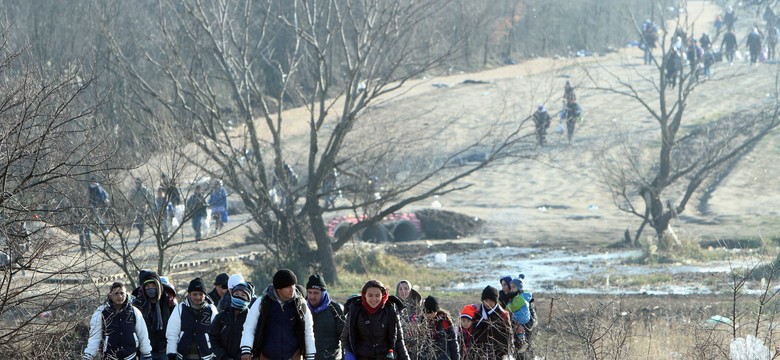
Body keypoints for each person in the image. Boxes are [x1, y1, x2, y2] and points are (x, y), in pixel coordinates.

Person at [240, 269, 316, 360]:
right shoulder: (262, 302)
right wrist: (246, 349)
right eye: (288, 287)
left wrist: (310, 355)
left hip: (293, 356)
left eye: (293, 285)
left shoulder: (300, 303)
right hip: (267, 356)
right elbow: (249, 326)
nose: (292, 289)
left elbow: (308, 330)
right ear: (278, 289)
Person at [341, 279, 409, 360]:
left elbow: (399, 341)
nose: (374, 299)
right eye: (370, 295)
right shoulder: (355, 311)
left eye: (377, 295)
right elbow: (345, 338)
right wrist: (347, 353)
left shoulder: (391, 310)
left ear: (382, 295)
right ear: (364, 295)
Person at [84, 282, 153, 360]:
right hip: (109, 356)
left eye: (122, 293)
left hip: (130, 356)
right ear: (110, 295)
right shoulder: (101, 312)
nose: (119, 296)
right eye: (116, 293)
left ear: (126, 294)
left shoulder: (134, 311)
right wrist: (89, 355)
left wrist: (147, 353)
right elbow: (95, 337)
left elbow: (142, 334)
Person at [166, 277, 219, 360]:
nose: (198, 297)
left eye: (200, 294)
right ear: (189, 294)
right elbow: (172, 332)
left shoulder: (211, 309)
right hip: (183, 354)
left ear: (205, 295)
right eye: (195, 294)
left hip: (206, 355)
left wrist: (217, 353)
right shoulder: (180, 309)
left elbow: (217, 333)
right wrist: (171, 352)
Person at [133, 270, 177, 360]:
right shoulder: (138, 304)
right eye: (147, 286)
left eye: (153, 285)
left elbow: (175, 327)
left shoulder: (169, 302)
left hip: (165, 350)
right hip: (146, 351)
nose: (150, 288)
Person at [306, 274, 345, 360]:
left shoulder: (335, 309)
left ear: (323, 293)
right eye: (309, 292)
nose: (312, 296)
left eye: (316, 293)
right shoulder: (302, 308)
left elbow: (345, 338)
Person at [210, 282, 253, 360]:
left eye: (243, 295)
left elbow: (255, 341)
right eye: (236, 294)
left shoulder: (252, 319)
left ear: (249, 299)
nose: (239, 297)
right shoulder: (221, 317)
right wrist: (223, 356)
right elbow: (213, 338)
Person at [471, 286, 512, 359]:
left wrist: (509, 351)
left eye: (491, 300)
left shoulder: (503, 314)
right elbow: (472, 333)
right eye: (486, 300)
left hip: (499, 352)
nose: (488, 303)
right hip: (480, 351)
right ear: (482, 300)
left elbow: (508, 334)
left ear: (495, 301)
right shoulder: (477, 314)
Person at [419, 296, 459, 360]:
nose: (429, 315)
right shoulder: (421, 322)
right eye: (427, 313)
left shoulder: (445, 321)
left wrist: (456, 358)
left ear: (436, 311)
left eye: (431, 313)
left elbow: (453, 342)